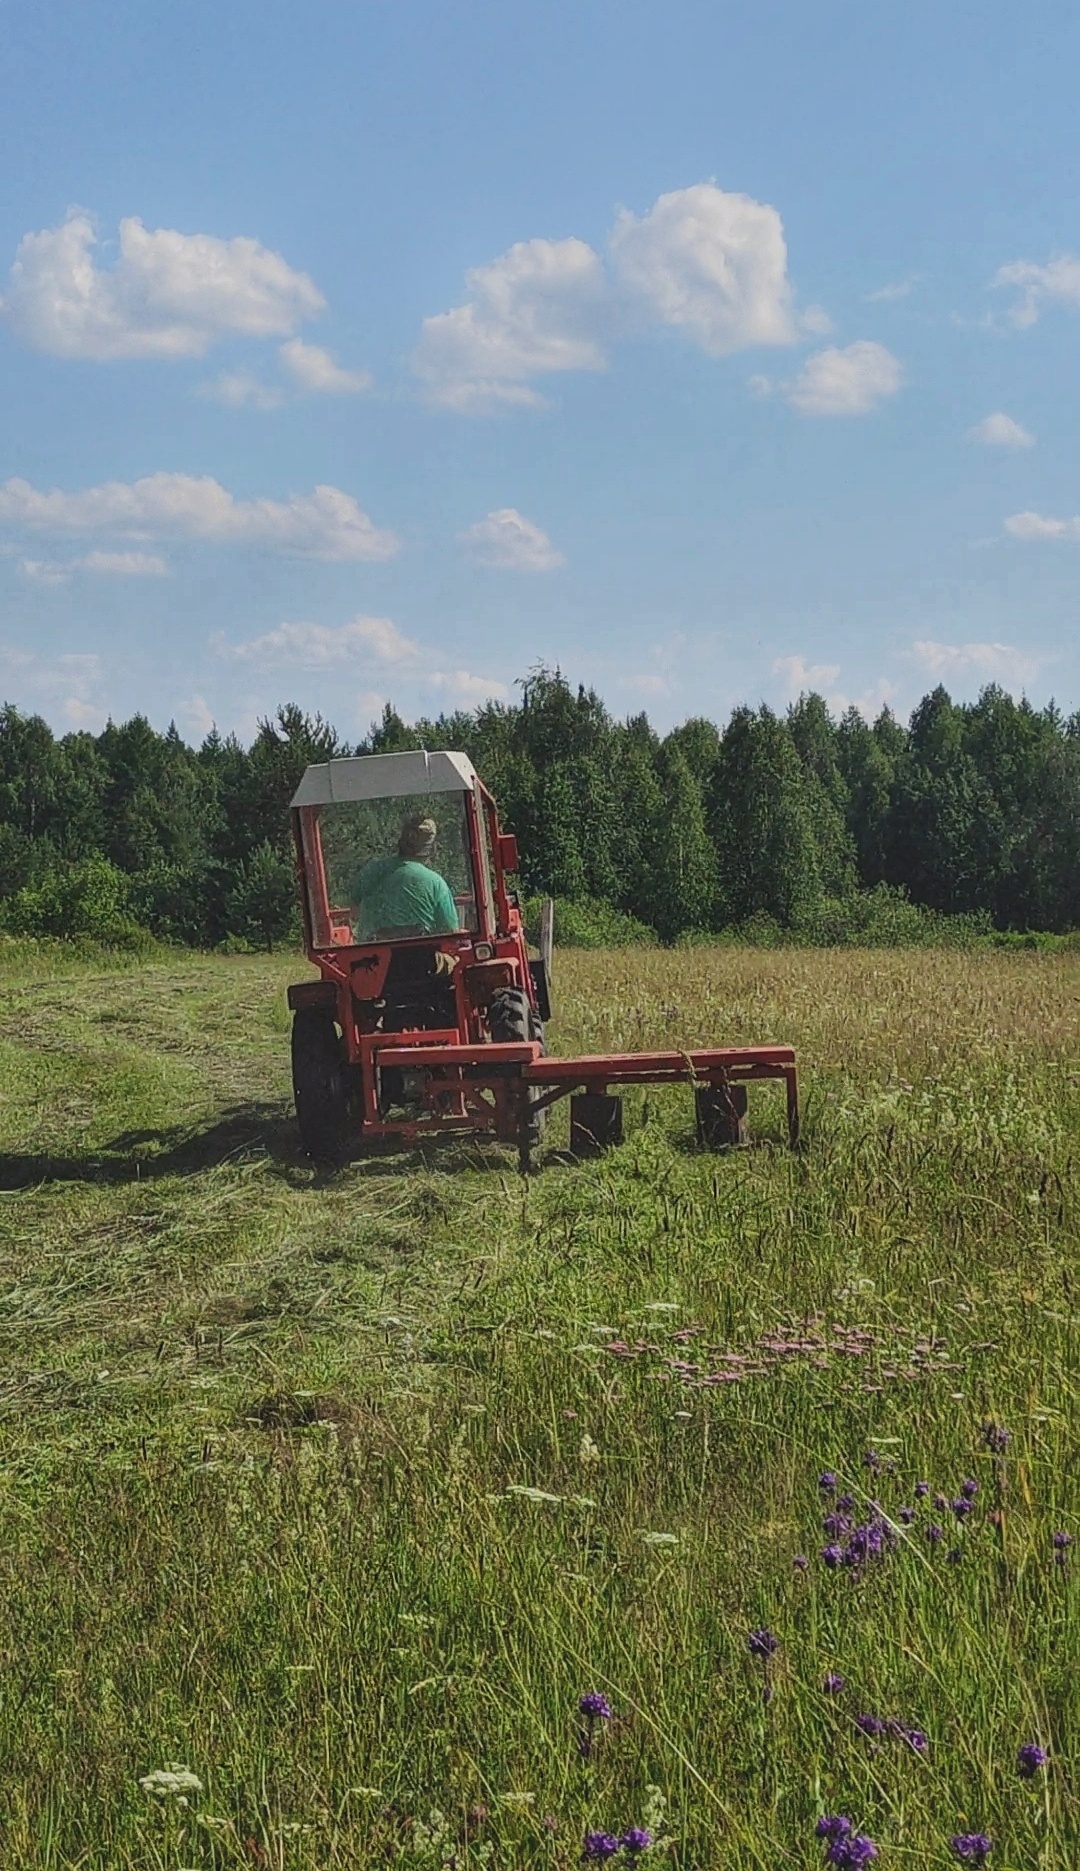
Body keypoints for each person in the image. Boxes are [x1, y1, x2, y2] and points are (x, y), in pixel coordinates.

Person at [351, 814, 459, 940]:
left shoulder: (370, 872)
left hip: (371, 957)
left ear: (400, 842)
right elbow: (450, 931)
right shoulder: (436, 883)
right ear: (432, 849)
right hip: (422, 956)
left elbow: (353, 911)